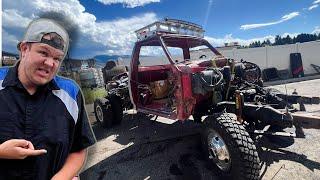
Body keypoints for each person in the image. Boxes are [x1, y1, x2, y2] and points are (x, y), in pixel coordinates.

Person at [0, 18, 96, 179]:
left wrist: (62, 177)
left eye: (57, 58)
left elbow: (78, 149)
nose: (50, 63)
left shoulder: (70, 94)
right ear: (24, 49)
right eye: (43, 52)